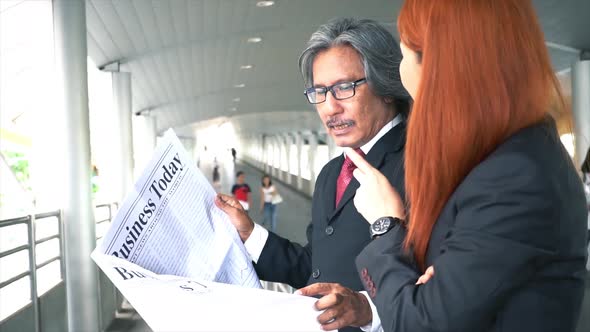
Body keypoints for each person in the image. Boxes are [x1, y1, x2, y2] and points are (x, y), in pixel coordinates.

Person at [310, 1, 588, 331]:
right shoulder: (496, 157)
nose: (400, 73)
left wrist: (385, 224)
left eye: (406, 55)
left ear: (444, 64)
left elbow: (423, 320)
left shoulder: (514, 176)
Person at [215, 17, 410, 332]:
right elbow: (315, 267)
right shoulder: (332, 173)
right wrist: (250, 234)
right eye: (319, 91)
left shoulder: (422, 163)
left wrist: (367, 310)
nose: (330, 107)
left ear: (386, 87)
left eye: (344, 88)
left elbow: (444, 290)